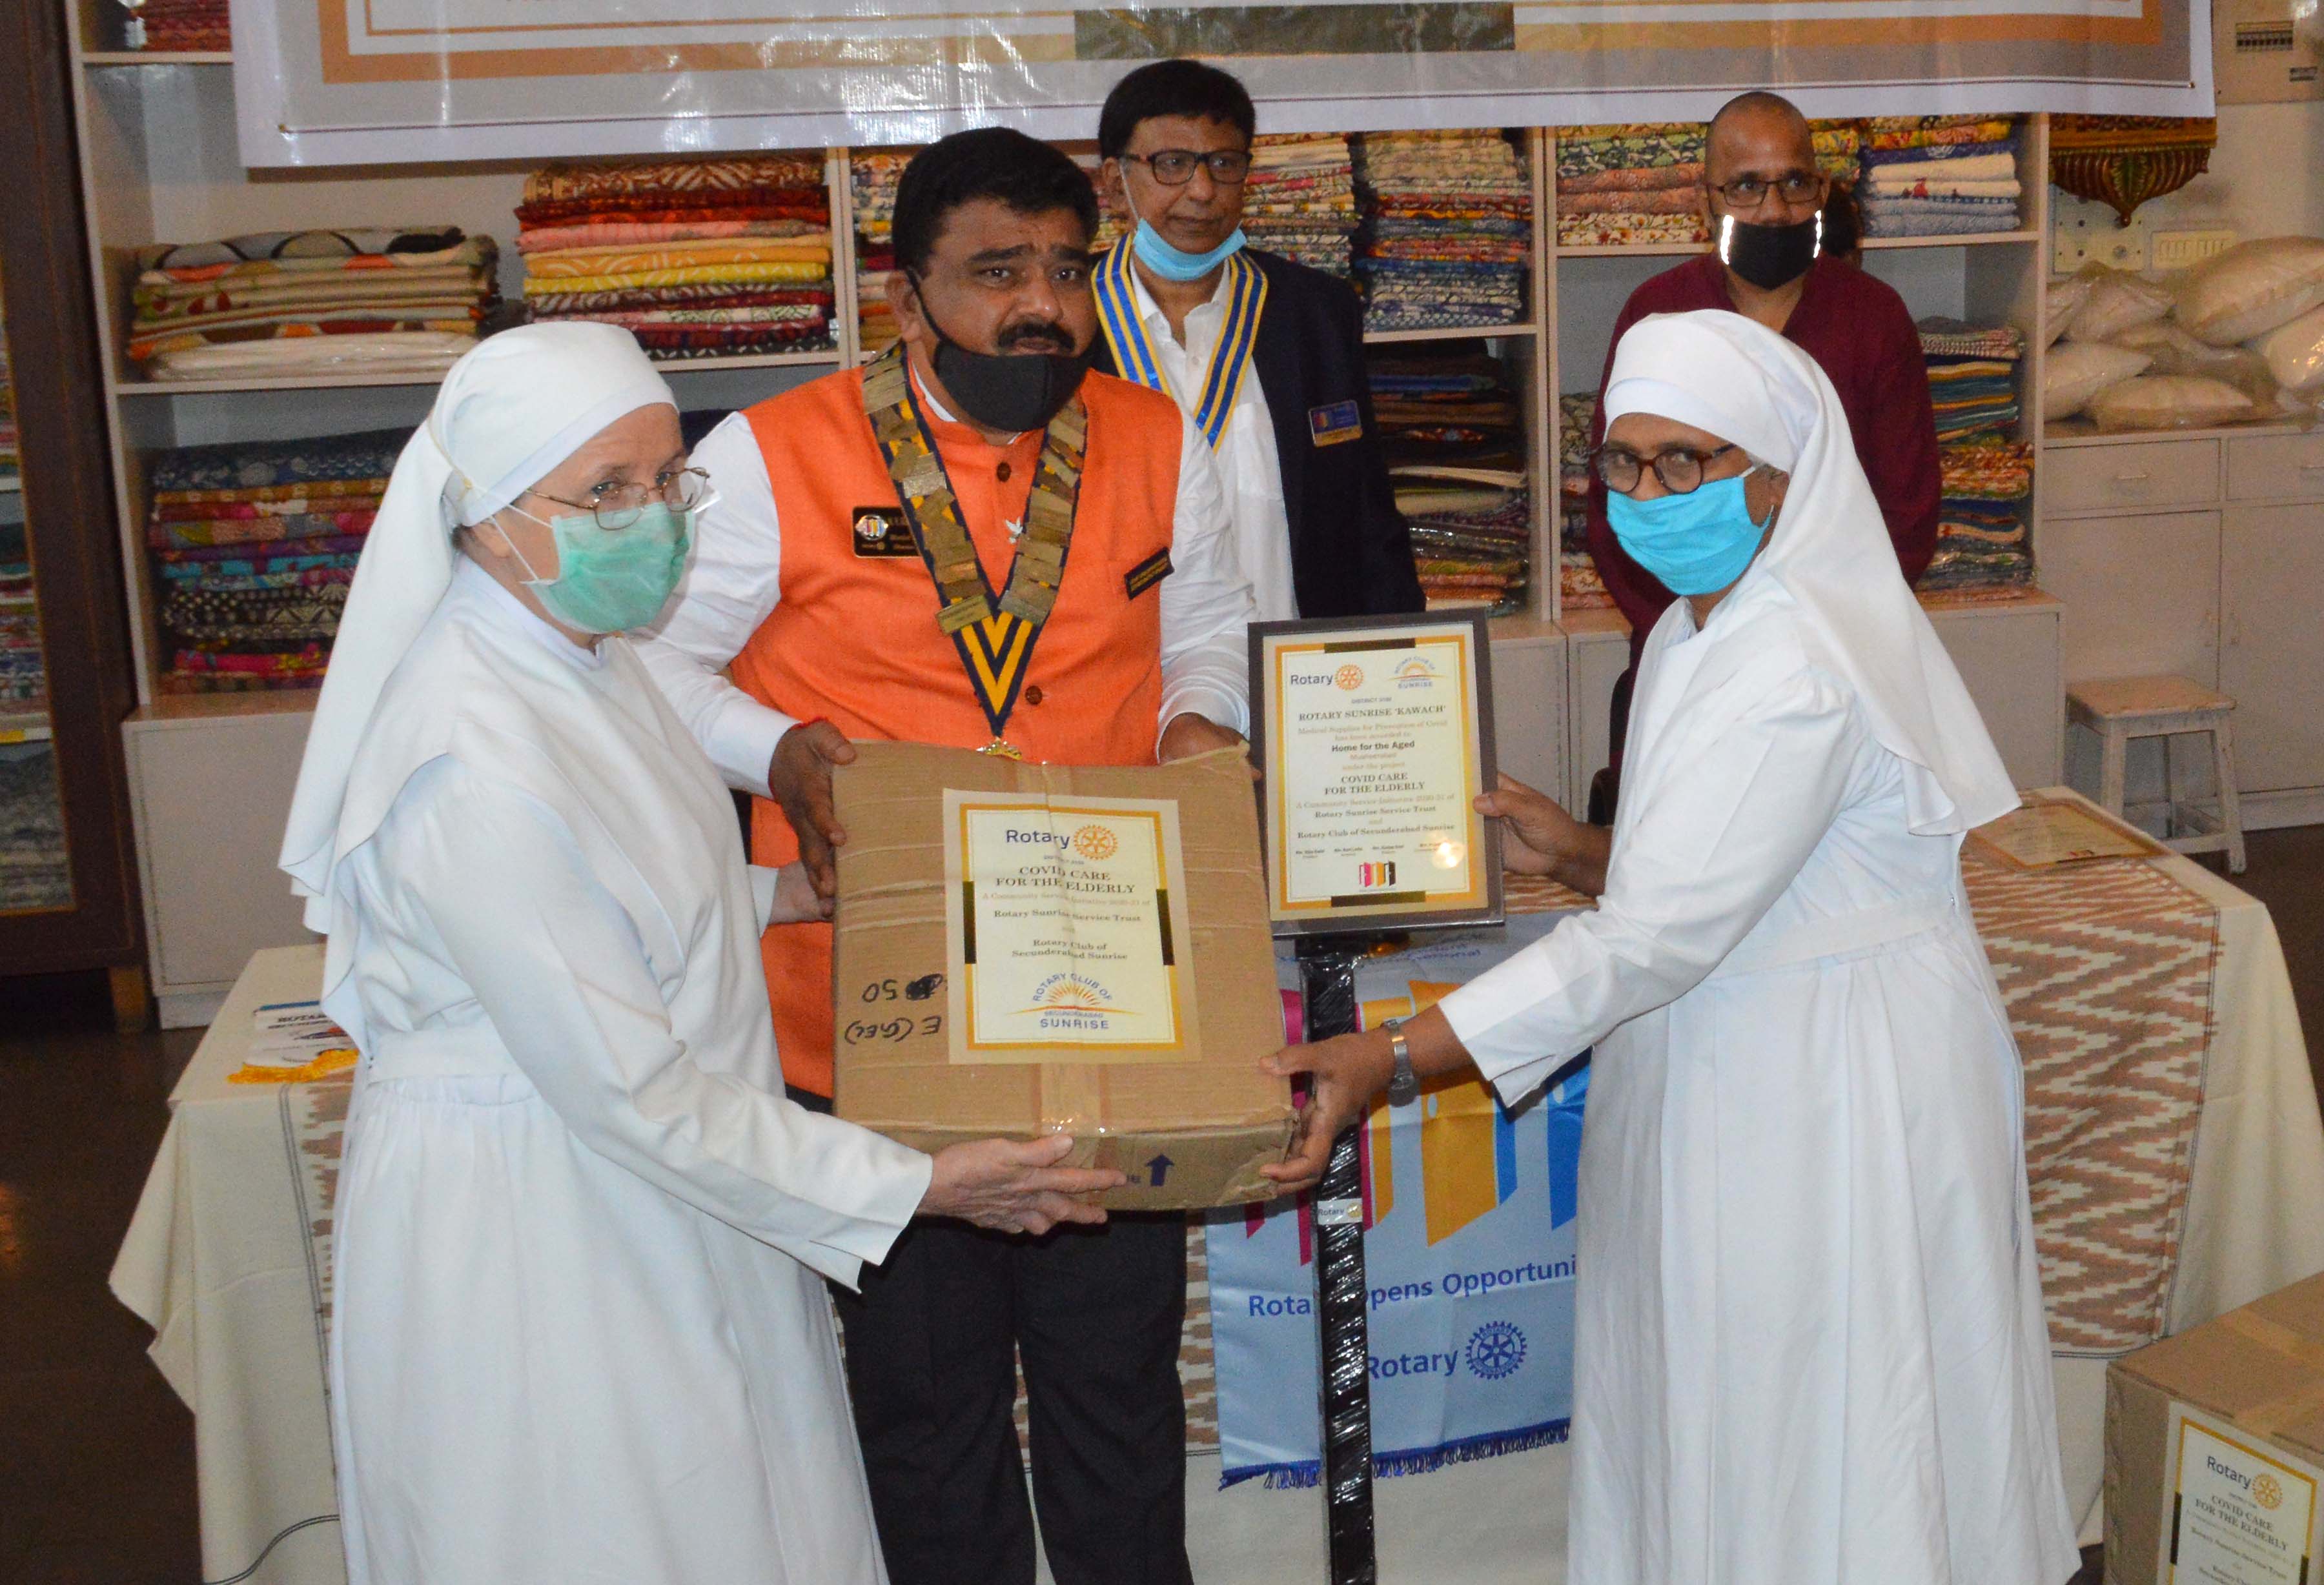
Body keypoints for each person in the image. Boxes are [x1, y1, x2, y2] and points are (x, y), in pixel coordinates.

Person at [276, 323, 1125, 1585]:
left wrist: (785, 891)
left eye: (668, 478)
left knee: (744, 1506)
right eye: (607, 491)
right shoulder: (465, 758)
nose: (655, 516)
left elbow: (620, 890)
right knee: (616, 1530)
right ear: (487, 515)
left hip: (666, 1181)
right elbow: (627, 1080)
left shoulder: (584, 656)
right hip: (547, 1223)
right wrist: (919, 1184)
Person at [1267, 310, 2079, 1585]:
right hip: (1739, 1044)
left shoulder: (1793, 654)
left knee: (1827, 1408)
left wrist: (1392, 1055)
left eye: (1684, 462)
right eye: (1625, 463)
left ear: (1778, 472)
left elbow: (1656, 935)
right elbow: (1742, 869)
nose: (1648, 495)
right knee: (1723, 1392)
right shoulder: (1715, 620)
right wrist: (1580, 850)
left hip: (1832, 1082)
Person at [637, 130, 1258, 1585]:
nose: (1039, 304)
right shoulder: (773, 453)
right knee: (926, 1409)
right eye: (995, 272)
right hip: (874, 1006)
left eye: (1064, 268)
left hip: (1105, 999)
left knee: (1117, 1393)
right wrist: (776, 749)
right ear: (906, 294)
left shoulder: (1158, 437)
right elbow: (652, 664)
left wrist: (1195, 730)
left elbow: (1208, 628)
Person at [1584, 90, 1939, 811]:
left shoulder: (1873, 318)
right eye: (1746, 186)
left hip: (1840, 665)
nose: (1774, 210)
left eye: (1795, 183)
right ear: (1705, 198)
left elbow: (1907, 514)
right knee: (1673, 852)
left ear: (1823, 189)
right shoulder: (1659, 314)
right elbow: (1618, 497)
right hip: (1683, 646)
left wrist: (1803, 648)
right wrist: (1699, 631)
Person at [1090, 57, 1423, 620]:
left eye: (1223, 163)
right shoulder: (1067, 323)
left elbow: (1366, 516)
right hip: (1129, 679)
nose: (1202, 191)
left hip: (1295, 674)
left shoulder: (1313, 311)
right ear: (1114, 185)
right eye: (1171, 164)